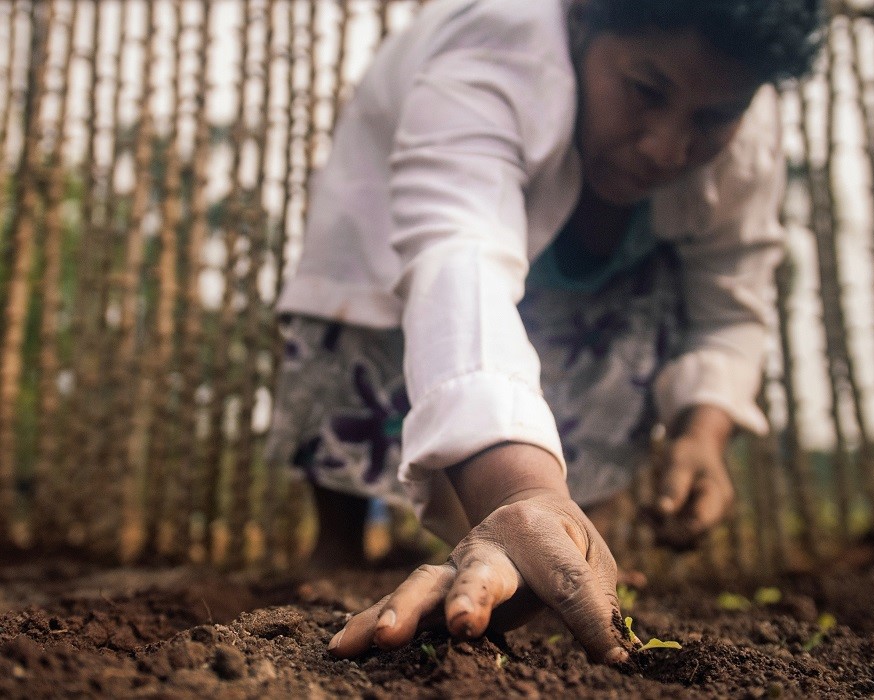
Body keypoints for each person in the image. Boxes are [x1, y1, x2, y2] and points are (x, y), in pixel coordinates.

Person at [266, 0, 823, 665]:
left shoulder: (746, 129)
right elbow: (457, 253)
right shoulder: (497, 45)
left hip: (594, 288)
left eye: (710, 120)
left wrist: (702, 433)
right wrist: (518, 494)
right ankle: (344, 553)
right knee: (376, 306)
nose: (666, 148)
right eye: (646, 92)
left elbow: (731, 297)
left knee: (619, 334)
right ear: (584, 20)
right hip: (404, 233)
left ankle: (568, 547)